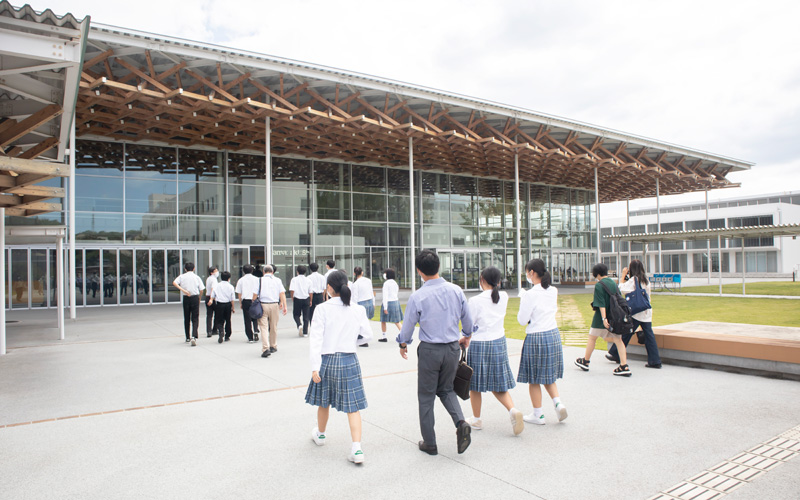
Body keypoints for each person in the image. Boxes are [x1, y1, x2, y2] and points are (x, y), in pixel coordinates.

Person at [397, 250, 473, 456]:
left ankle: (430, 443)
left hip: (430, 350)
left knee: (426, 395)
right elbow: (468, 321)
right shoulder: (456, 290)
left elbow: (408, 327)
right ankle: (461, 422)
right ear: (438, 267)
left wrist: (403, 344)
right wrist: (466, 335)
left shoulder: (418, 296)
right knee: (447, 389)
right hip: (452, 348)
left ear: (419, 271)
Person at [305, 270, 372, 465]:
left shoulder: (322, 308)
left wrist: (314, 367)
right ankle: (357, 449)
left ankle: (321, 434)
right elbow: (367, 335)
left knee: (323, 400)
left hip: (327, 360)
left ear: (328, 288)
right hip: (349, 359)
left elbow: (315, 340)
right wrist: (352, 343)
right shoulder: (357, 309)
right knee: (353, 406)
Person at [465, 266, 524, 435]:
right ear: (498, 281)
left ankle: (476, 419)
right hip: (498, 342)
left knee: (475, 385)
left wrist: (464, 338)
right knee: (498, 383)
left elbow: (469, 325)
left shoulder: (475, 300)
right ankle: (512, 410)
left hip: (480, 343)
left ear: (482, 279)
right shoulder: (503, 296)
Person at [517, 259, 568, 425]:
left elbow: (522, 320)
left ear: (531, 272)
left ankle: (538, 414)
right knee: (549, 375)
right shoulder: (553, 290)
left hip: (536, 337)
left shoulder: (530, 294)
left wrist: (523, 298)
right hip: (552, 334)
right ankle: (558, 403)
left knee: (534, 379)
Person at [575, 263, 632, 376]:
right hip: (615, 317)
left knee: (592, 338)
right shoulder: (613, 283)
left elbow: (601, 304)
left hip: (601, 318)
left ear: (597, 274)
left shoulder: (599, 285)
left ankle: (585, 361)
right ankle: (624, 365)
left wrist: (603, 318)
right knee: (618, 340)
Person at [607, 259, 662, 368]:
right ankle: (655, 361)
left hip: (636, 312)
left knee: (627, 332)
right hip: (646, 311)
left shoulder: (634, 280)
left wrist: (623, 276)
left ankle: (615, 353)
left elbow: (621, 289)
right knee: (649, 335)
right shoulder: (646, 279)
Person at [254, 264, 287, 358]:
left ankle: (265, 348)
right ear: (272, 272)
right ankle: (273, 346)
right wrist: (284, 305)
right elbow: (282, 293)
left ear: (263, 272)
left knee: (263, 327)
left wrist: (253, 302)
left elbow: (255, 294)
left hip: (262, 305)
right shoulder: (278, 280)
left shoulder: (259, 280)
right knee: (273, 326)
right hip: (274, 305)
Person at [173, 262, 205, 346]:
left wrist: (183, 290)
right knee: (195, 318)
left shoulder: (182, 276)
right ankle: (194, 336)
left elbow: (174, 282)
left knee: (186, 317)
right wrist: (199, 298)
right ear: (194, 268)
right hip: (195, 297)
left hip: (186, 297)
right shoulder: (196, 277)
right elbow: (201, 289)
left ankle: (187, 336)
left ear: (185, 269)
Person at [208, 271, 235, 343]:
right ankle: (227, 335)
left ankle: (220, 331)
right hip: (228, 304)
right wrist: (233, 307)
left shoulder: (217, 285)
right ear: (229, 278)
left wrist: (211, 300)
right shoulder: (231, 287)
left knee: (219, 320)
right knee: (228, 320)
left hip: (219, 304)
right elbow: (232, 299)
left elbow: (213, 295)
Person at [351, 267, 375, 346]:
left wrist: (354, 307)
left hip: (361, 302)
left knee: (360, 322)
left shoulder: (355, 284)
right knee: (366, 321)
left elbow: (355, 297)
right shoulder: (368, 281)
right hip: (369, 300)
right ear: (362, 272)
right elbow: (371, 292)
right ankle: (364, 338)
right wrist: (373, 303)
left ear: (354, 273)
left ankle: (363, 339)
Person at [235, 265, 260, 343]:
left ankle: (250, 337)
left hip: (246, 300)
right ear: (252, 270)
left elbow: (239, 293)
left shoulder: (241, 280)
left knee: (247, 319)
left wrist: (240, 303)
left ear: (243, 271)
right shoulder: (257, 279)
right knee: (255, 316)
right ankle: (256, 330)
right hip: (255, 299)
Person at [380, 268, 403, 342]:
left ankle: (384, 336)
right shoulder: (395, 283)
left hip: (388, 302)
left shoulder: (386, 283)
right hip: (395, 302)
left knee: (383, 320)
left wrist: (385, 307)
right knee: (397, 321)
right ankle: (404, 335)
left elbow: (385, 296)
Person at [289, 265, 312, 337]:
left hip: (297, 299)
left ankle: (299, 325)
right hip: (306, 298)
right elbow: (310, 292)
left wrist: (292, 297)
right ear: (305, 272)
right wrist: (310, 300)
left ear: (297, 272)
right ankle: (305, 332)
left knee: (296, 314)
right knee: (306, 316)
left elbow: (292, 290)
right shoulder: (308, 280)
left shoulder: (294, 279)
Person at [205, 266, 219, 337]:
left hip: (207, 296)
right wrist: (211, 299)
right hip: (212, 298)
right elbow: (213, 289)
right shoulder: (214, 279)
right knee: (217, 314)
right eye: (215, 271)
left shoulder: (208, 279)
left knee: (209, 315)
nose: (217, 272)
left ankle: (209, 331)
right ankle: (214, 329)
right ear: (211, 273)